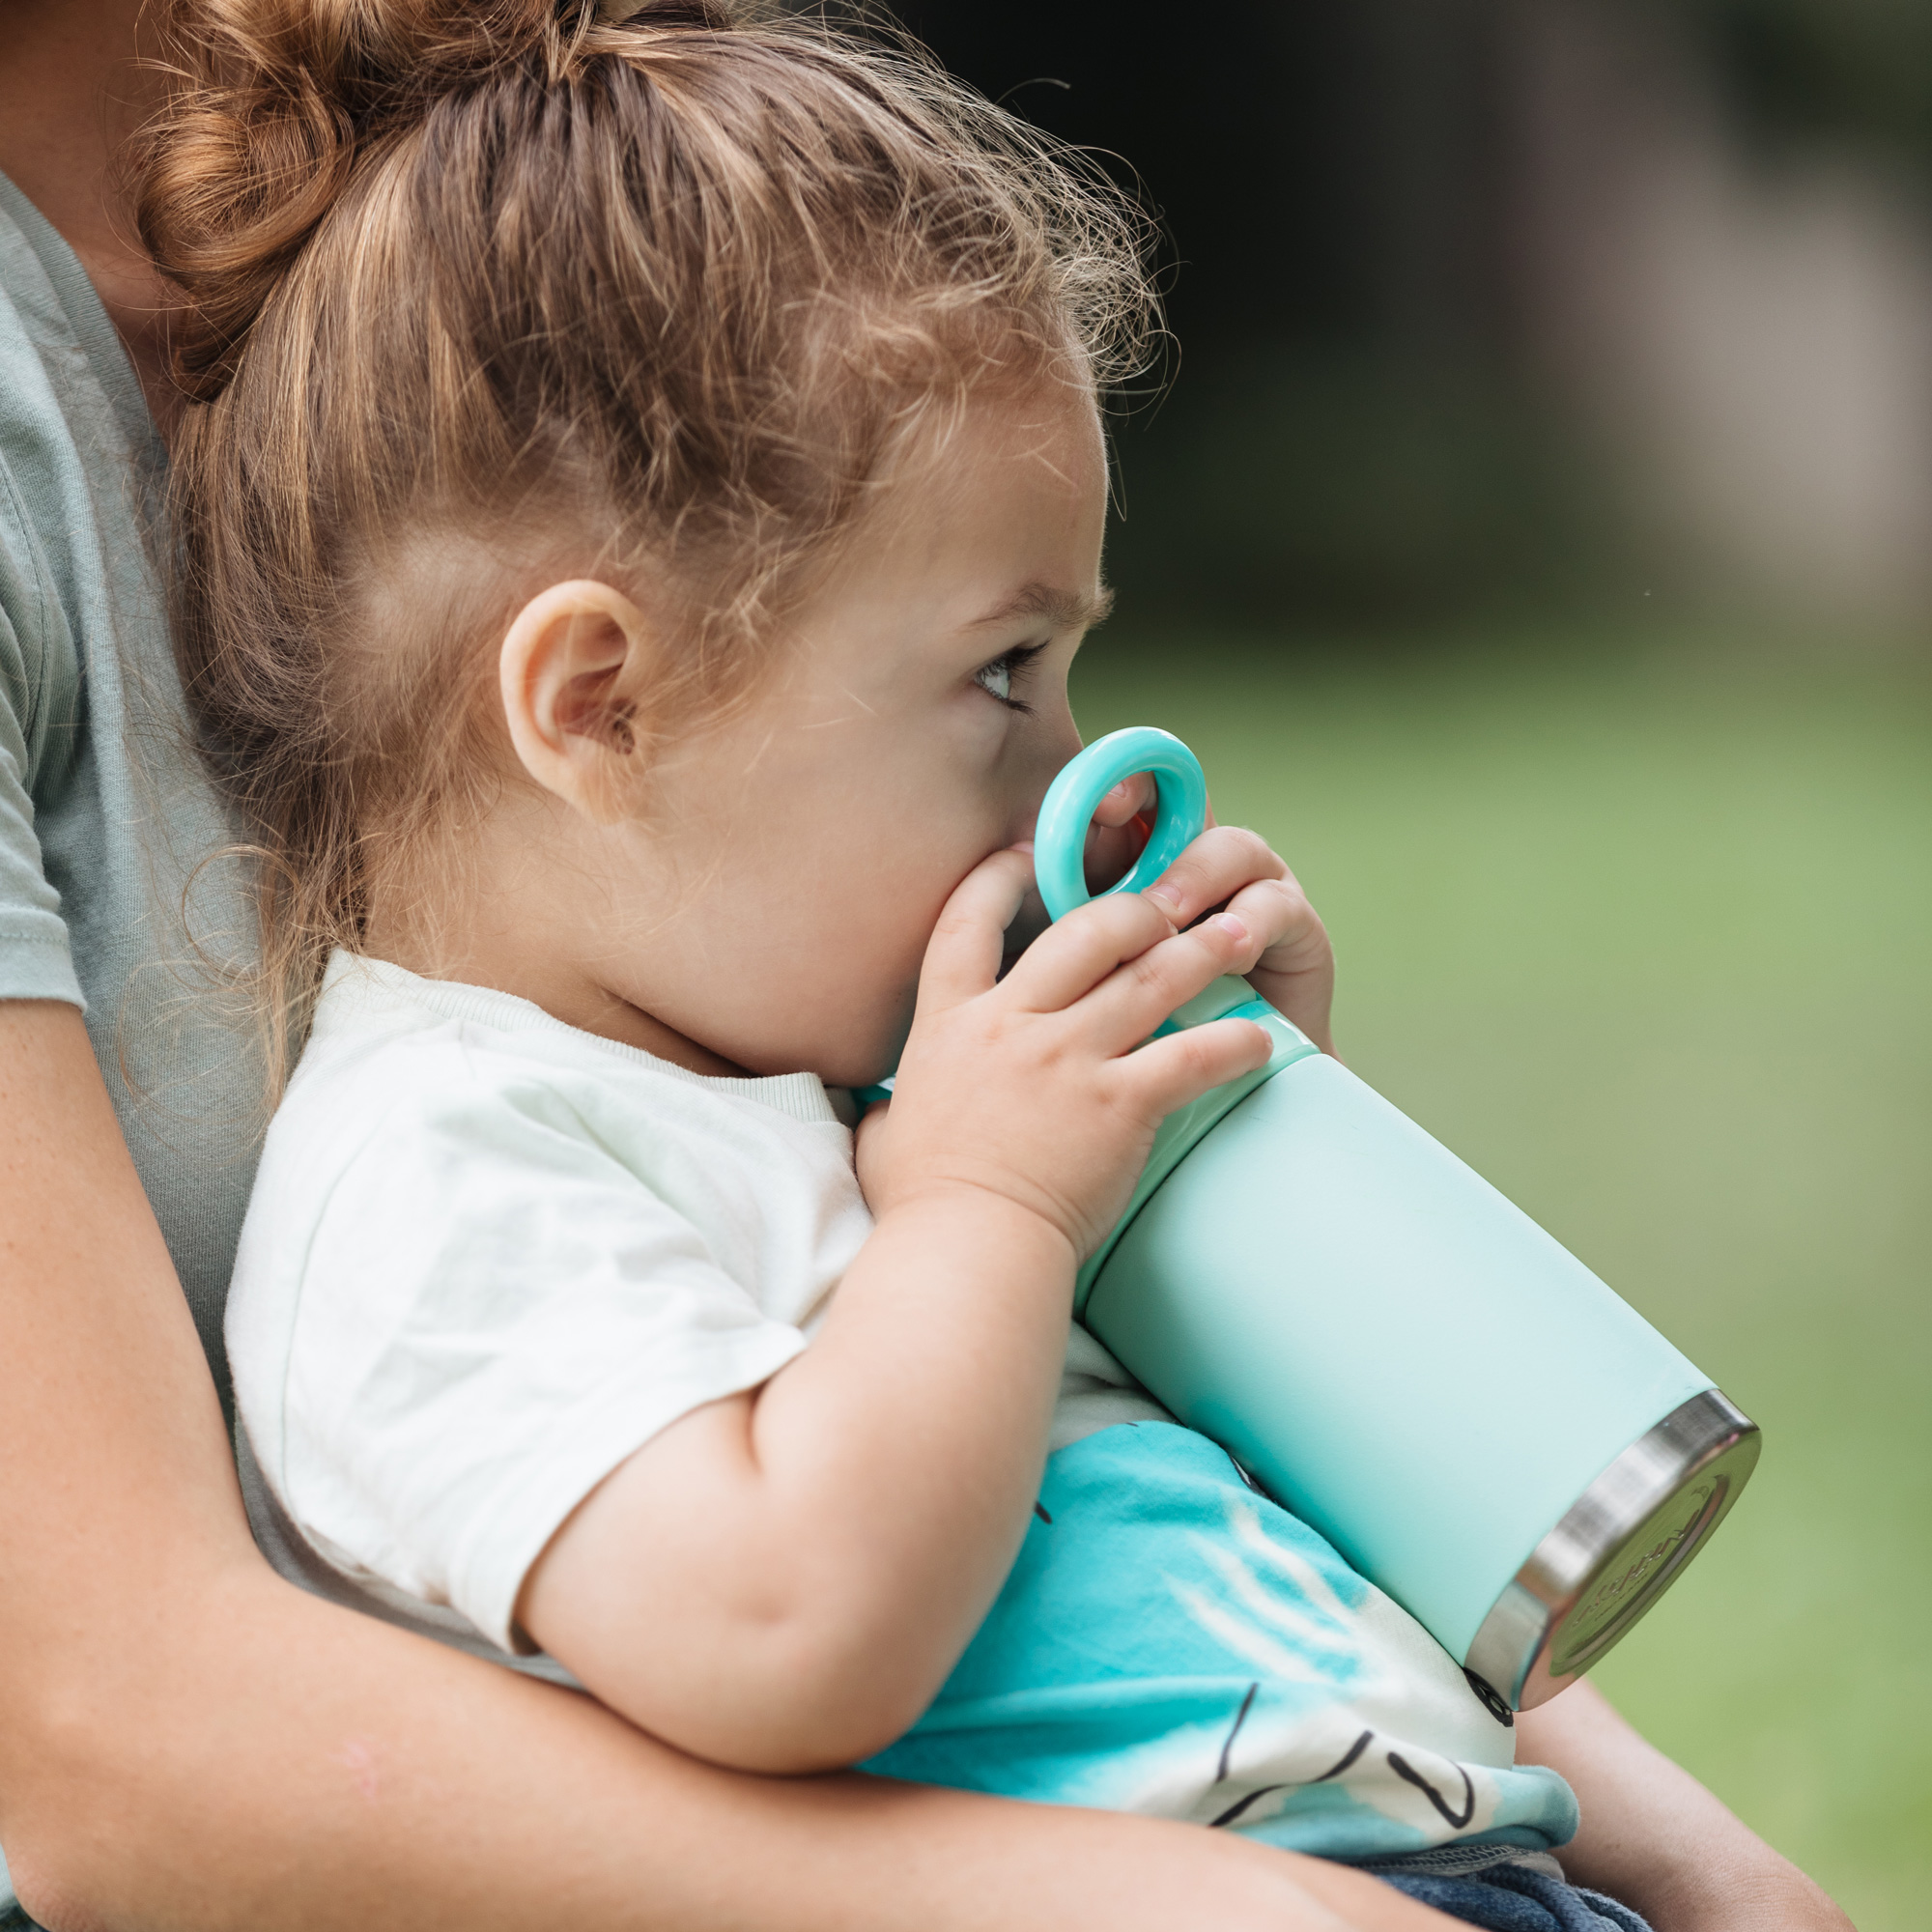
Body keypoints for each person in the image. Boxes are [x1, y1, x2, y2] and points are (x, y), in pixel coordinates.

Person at [0, 2, 1852, 1928]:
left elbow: (1246, 1611)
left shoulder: (813, 1062)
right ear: (599, 706)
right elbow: (787, 1621)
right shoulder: (446, 1190)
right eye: (1000, 677)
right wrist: (991, 1216)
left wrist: (1207, 1207)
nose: (1073, 783)